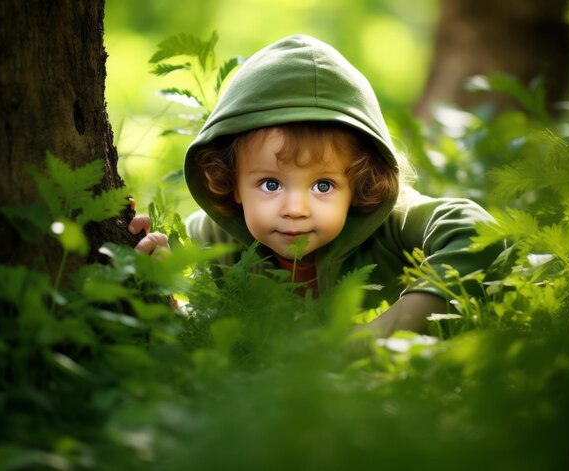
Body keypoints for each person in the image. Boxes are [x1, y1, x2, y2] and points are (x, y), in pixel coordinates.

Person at [129, 34, 500, 337]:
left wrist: (383, 332)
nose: (295, 208)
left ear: (357, 184)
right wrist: (164, 269)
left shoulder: (388, 223)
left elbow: (479, 232)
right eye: (271, 183)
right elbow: (196, 321)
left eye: (323, 186)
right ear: (233, 184)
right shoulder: (216, 237)